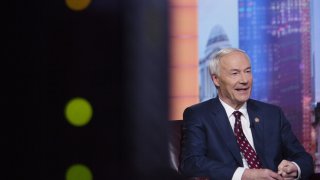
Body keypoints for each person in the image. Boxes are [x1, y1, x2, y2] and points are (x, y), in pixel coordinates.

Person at [179, 48, 314, 180]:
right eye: (235, 73)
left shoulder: (272, 114)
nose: (244, 80)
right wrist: (245, 175)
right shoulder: (199, 115)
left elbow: (304, 159)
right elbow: (191, 163)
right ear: (216, 79)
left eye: (247, 71)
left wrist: (295, 168)